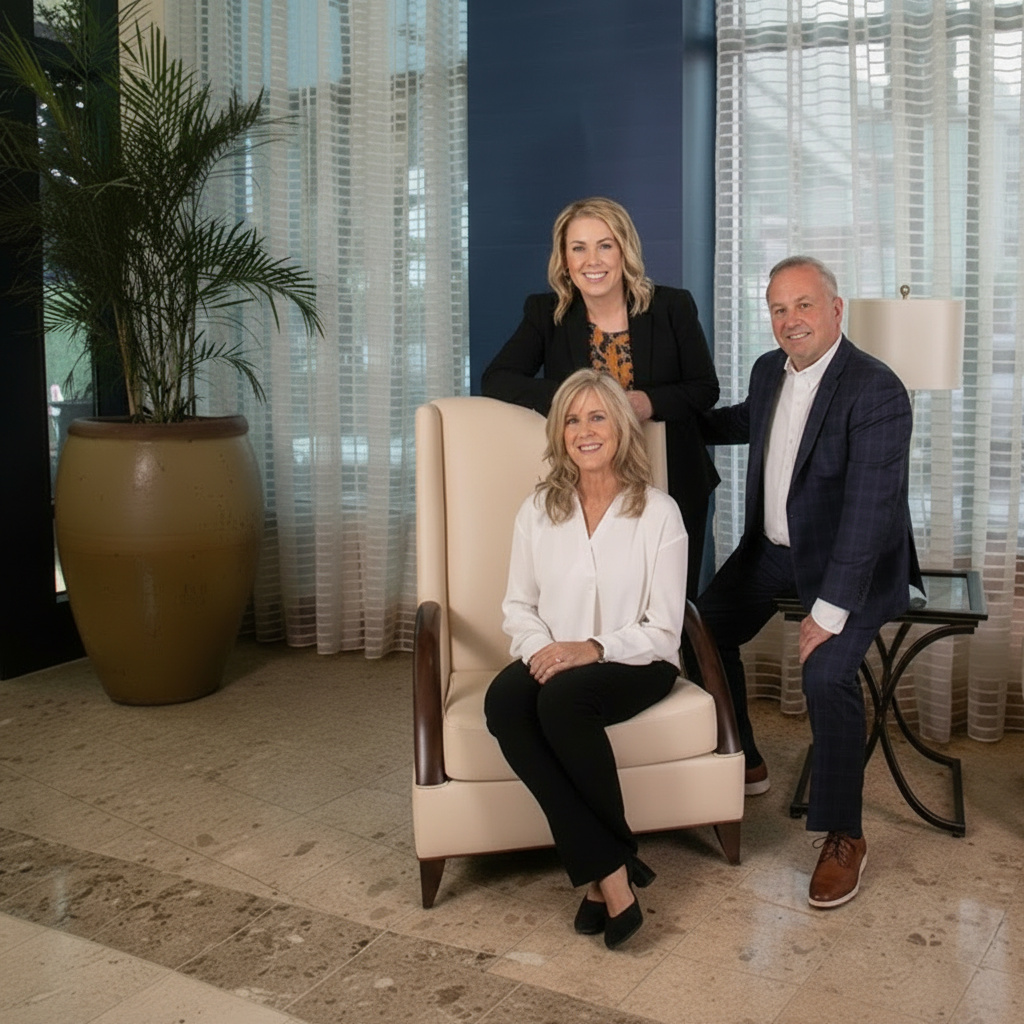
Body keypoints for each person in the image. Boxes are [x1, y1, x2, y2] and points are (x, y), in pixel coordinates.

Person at [697, 256, 921, 909]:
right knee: (700, 629)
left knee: (825, 674)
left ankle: (845, 835)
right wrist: (662, 414)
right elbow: (746, 420)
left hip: (853, 564)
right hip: (773, 553)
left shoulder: (876, 390)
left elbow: (868, 515)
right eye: (778, 308)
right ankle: (745, 754)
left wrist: (828, 611)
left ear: (835, 309)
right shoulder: (769, 369)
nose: (790, 319)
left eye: (803, 305)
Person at [484, 368, 687, 949]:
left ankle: (607, 881)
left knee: (563, 702)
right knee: (505, 701)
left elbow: (664, 629)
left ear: (620, 427)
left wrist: (594, 649)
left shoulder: (659, 513)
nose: (585, 430)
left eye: (598, 416)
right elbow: (518, 605)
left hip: (638, 661)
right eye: (572, 420)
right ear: (559, 433)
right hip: (557, 653)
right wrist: (544, 649)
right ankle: (611, 865)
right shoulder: (537, 510)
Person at [481, 196, 718, 599]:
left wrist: (646, 403)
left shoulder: (672, 306)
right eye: (579, 248)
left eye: (605, 245)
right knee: (596, 599)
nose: (592, 260)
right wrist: (577, 400)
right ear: (564, 259)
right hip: (585, 487)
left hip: (673, 477)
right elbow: (497, 379)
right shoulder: (547, 313)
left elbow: (704, 388)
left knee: (673, 604)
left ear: (624, 250)